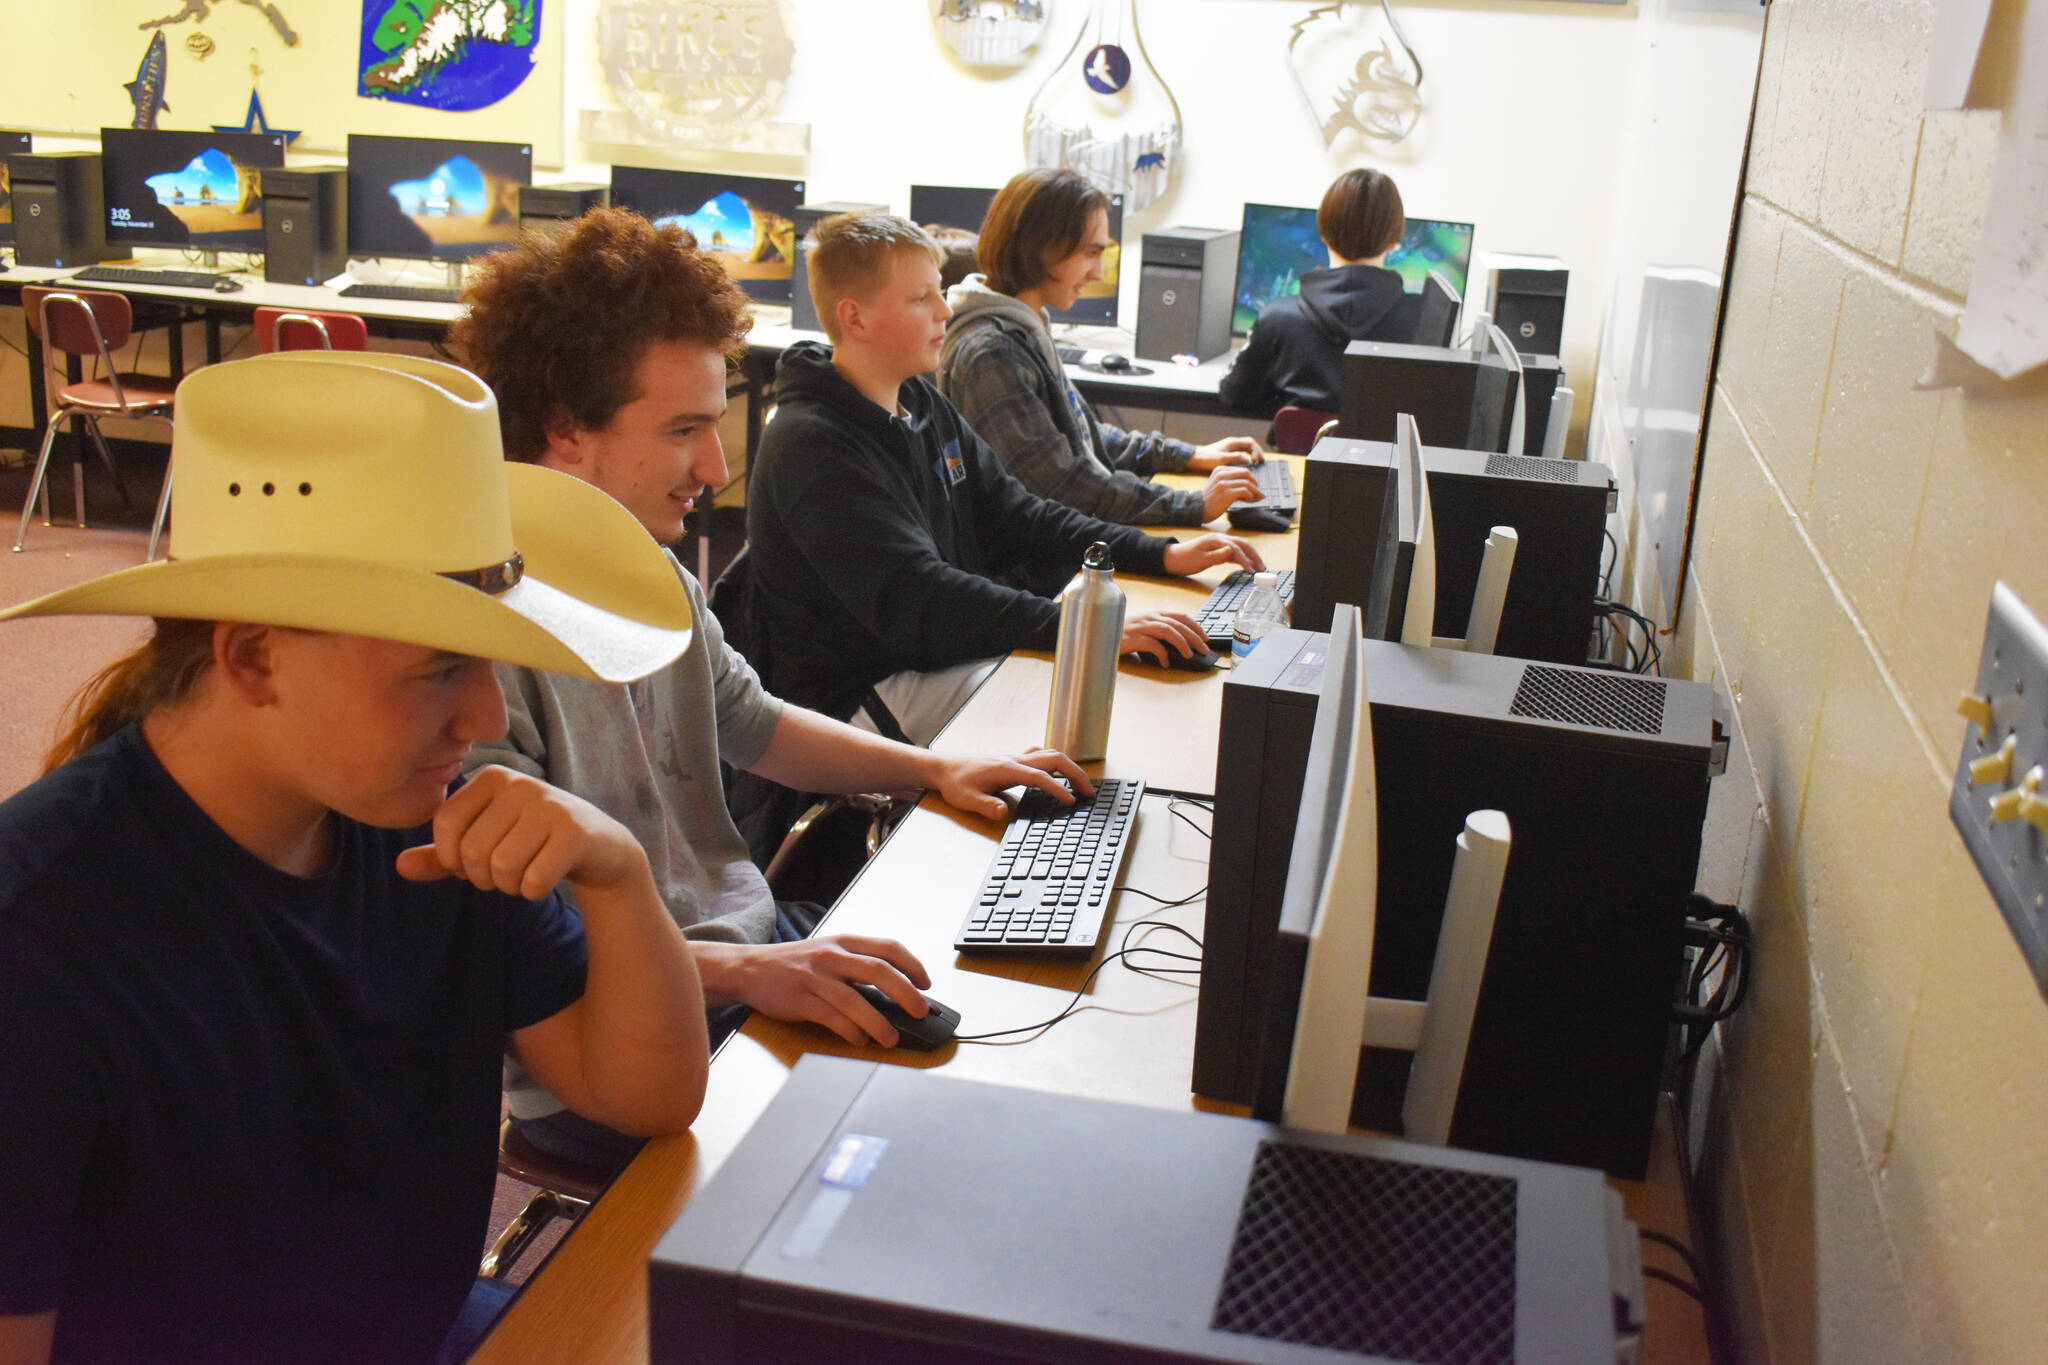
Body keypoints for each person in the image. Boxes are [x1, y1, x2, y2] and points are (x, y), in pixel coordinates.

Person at [0, 351, 710, 1365]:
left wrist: (617, 877)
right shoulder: (39, 946)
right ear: (252, 658)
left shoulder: (428, 831)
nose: (486, 716)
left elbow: (644, 1096)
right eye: (441, 670)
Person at [450, 208, 1097, 1164]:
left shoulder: (645, 567)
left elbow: (750, 722)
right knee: (930, 1145)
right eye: (685, 431)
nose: (716, 470)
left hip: (744, 951)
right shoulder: (467, 648)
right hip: (618, 1046)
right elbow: (539, 954)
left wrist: (937, 770)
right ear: (563, 430)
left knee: (994, 1031)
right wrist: (764, 967)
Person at [743, 210, 1264, 747]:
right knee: (1078, 710)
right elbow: (921, 596)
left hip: (932, 654)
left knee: (1104, 692)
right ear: (855, 319)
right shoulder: (813, 445)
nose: (945, 310)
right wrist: (1078, 629)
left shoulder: (918, 400)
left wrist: (1157, 553)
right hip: (855, 691)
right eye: (922, 299)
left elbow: (1020, 515)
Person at [937, 168, 1267, 527]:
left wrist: (1191, 455)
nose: (1098, 273)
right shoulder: (992, 352)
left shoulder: (1023, 323)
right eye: (1091, 253)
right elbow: (1061, 485)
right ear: (1040, 247)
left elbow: (1084, 437)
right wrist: (1192, 504)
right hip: (1037, 571)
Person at [1217, 167, 1425, 422]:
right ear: (1395, 240)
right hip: (1389, 463)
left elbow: (1234, 395)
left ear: (1323, 235)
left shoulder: (1277, 318)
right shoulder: (1425, 320)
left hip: (1297, 461)